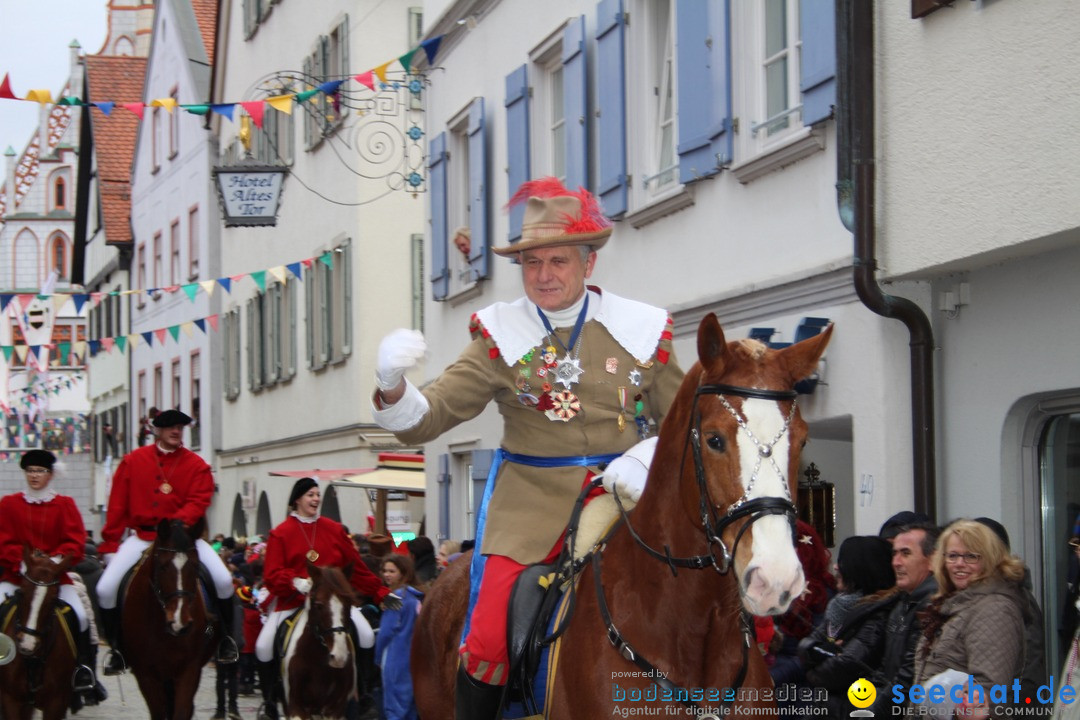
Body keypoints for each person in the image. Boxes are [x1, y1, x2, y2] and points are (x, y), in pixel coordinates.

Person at [371, 177, 684, 717]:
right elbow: (432, 416)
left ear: (588, 263)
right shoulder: (499, 336)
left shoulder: (642, 329)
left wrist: (644, 455)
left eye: (558, 261)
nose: (543, 275)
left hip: (629, 497)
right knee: (489, 634)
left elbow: (684, 425)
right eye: (531, 263)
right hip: (529, 506)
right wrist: (392, 386)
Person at [96, 409, 238, 675]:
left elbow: (199, 501)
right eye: (171, 427)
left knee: (223, 580)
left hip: (183, 538)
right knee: (105, 588)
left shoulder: (197, 465)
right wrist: (110, 544)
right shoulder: (132, 461)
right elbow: (117, 506)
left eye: (180, 427)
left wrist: (177, 526)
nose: (176, 431)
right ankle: (118, 649)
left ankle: (225, 641)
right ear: (157, 430)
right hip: (143, 537)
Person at [255, 477, 399, 720]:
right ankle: (270, 702)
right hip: (294, 602)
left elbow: (357, 569)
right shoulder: (280, 533)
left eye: (317, 494)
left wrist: (381, 592)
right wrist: (295, 581)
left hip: (334, 603)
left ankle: (364, 696)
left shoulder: (333, 529)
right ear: (297, 500)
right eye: (310, 495)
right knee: (262, 646)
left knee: (364, 634)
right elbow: (272, 574)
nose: (316, 499)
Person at [0, 449, 106, 705]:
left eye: (40, 471)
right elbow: (3, 540)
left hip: (55, 579)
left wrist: (51, 563)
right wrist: (24, 563)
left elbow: (74, 543)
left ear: (51, 474)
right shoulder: (8, 504)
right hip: (17, 575)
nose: (34, 475)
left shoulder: (65, 505)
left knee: (80, 617)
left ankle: (83, 672)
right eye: (31, 471)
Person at [913, 519, 1028, 715]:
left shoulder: (994, 609)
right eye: (952, 556)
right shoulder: (953, 604)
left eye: (971, 556)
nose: (959, 564)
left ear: (990, 559)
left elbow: (988, 691)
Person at [802, 536, 897, 717]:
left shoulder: (879, 614)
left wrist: (813, 667)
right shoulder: (838, 606)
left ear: (860, 570)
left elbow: (843, 667)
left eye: (843, 562)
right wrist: (820, 653)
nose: (836, 567)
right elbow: (807, 645)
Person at [972, 516, 1048, 701]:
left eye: (972, 554)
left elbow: (1027, 675)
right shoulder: (974, 597)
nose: (962, 562)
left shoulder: (1014, 600)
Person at [871, 521, 940, 713]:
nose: (896, 562)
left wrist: (873, 712)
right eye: (894, 553)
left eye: (906, 553)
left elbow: (908, 677)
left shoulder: (932, 606)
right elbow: (886, 670)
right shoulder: (903, 602)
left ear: (932, 560)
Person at [376, 555, 424, 720]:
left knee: (394, 710)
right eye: (385, 571)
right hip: (415, 660)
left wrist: (376, 658)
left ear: (403, 573)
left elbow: (385, 632)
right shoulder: (417, 597)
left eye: (392, 571)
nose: (387, 575)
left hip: (394, 659)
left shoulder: (394, 597)